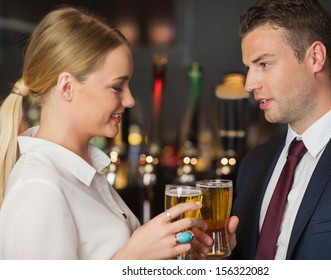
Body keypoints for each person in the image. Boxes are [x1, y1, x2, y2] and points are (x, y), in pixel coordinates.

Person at [0, 6, 215, 260]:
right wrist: (133, 257)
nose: (130, 100)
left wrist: (171, 251)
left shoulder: (84, 173)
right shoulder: (39, 187)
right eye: (117, 87)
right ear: (67, 87)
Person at [231, 0, 331, 260]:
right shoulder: (253, 165)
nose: (249, 84)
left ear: (315, 57)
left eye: (264, 64)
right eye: (249, 67)